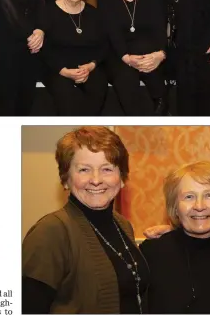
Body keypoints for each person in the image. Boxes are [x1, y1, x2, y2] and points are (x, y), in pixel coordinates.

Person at [23, 126, 148, 313]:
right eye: (84, 170)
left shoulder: (123, 225)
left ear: (122, 178)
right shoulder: (50, 232)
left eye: (107, 169)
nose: (96, 180)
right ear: (66, 179)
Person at [139, 161, 210, 313]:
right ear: (175, 207)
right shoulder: (151, 255)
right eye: (189, 197)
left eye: (209, 195)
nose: (199, 206)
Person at [102, 0, 167, 115]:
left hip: (151, 53)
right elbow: (113, 35)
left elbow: (160, 29)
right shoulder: (107, 2)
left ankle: (161, 112)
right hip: (121, 56)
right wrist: (127, 58)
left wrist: (160, 54)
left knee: (154, 69)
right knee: (125, 78)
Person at [41, 0, 108, 115]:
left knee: (99, 87)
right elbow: (44, 49)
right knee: (66, 97)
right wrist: (64, 71)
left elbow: (103, 45)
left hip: (87, 67)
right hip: (58, 68)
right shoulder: (48, 11)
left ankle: (88, 132)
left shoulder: (94, 13)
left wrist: (91, 65)